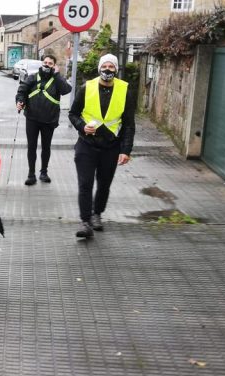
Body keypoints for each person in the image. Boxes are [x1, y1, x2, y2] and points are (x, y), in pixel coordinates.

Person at [68, 54, 137, 238]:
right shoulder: (87, 87)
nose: (107, 70)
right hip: (86, 145)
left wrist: (125, 150)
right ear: (99, 68)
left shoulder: (125, 90)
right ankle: (85, 222)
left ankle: (97, 214)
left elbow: (129, 124)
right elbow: (73, 114)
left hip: (111, 146)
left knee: (104, 184)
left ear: (116, 70)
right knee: (85, 184)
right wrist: (82, 126)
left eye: (111, 67)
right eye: (104, 66)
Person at [15, 54, 72, 185]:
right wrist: (20, 101)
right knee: (32, 147)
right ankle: (31, 174)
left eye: (50, 63)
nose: (46, 65)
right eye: (45, 62)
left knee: (46, 147)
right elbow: (22, 90)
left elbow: (66, 90)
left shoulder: (57, 80)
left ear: (54, 66)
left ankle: (44, 172)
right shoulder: (33, 77)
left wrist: (57, 74)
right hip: (32, 118)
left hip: (49, 120)